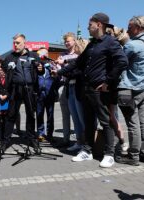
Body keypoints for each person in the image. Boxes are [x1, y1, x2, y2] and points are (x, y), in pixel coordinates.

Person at [52, 13, 128, 168]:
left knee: (105, 121)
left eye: (90, 24)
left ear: (99, 24)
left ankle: (109, 154)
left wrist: (108, 81)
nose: (88, 27)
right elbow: (78, 63)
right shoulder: (93, 44)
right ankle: (87, 150)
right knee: (88, 121)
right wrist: (59, 72)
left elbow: (122, 61)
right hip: (87, 89)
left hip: (100, 89)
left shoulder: (110, 42)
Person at [1, 33, 41, 153]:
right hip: (15, 89)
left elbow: (40, 70)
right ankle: (6, 140)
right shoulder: (9, 57)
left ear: (25, 43)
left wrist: (41, 69)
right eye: (14, 43)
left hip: (29, 89)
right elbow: (3, 68)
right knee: (11, 115)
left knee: (30, 114)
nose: (16, 45)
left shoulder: (33, 55)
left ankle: (31, 138)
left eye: (18, 43)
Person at [116, 15, 144, 166]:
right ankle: (143, 153)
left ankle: (133, 156)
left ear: (138, 28)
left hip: (129, 88)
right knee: (143, 123)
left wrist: (121, 41)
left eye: (130, 27)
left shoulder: (132, 45)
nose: (127, 29)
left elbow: (119, 62)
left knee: (133, 124)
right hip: (143, 88)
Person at [55, 33, 86, 151]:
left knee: (80, 116)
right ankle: (73, 140)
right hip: (67, 85)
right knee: (70, 115)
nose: (67, 43)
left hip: (78, 85)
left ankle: (86, 143)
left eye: (69, 41)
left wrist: (63, 67)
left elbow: (71, 70)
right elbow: (60, 71)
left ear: (75, 41)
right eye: (65, 42)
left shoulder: (80, 55)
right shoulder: (62, 55)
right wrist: (59, 69)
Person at [36, 47, 59, 143]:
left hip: (50, 94)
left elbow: (58, 78)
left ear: (46, 55)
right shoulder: (37, 66)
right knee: (39, 114)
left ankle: (50, 134)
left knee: (50, 115)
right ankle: (41, 134)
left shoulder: (52, 65)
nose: (40, 57)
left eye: (41, 55)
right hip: (39, 94)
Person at [0, 60, 9, 140]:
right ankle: (2, 135)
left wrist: (6, 95)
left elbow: (11, 88)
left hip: (7, 100)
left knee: (7, 118)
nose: (0, 69)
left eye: (1, 67)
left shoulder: (8, 76)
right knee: (0, 119)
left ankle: (7, 135)